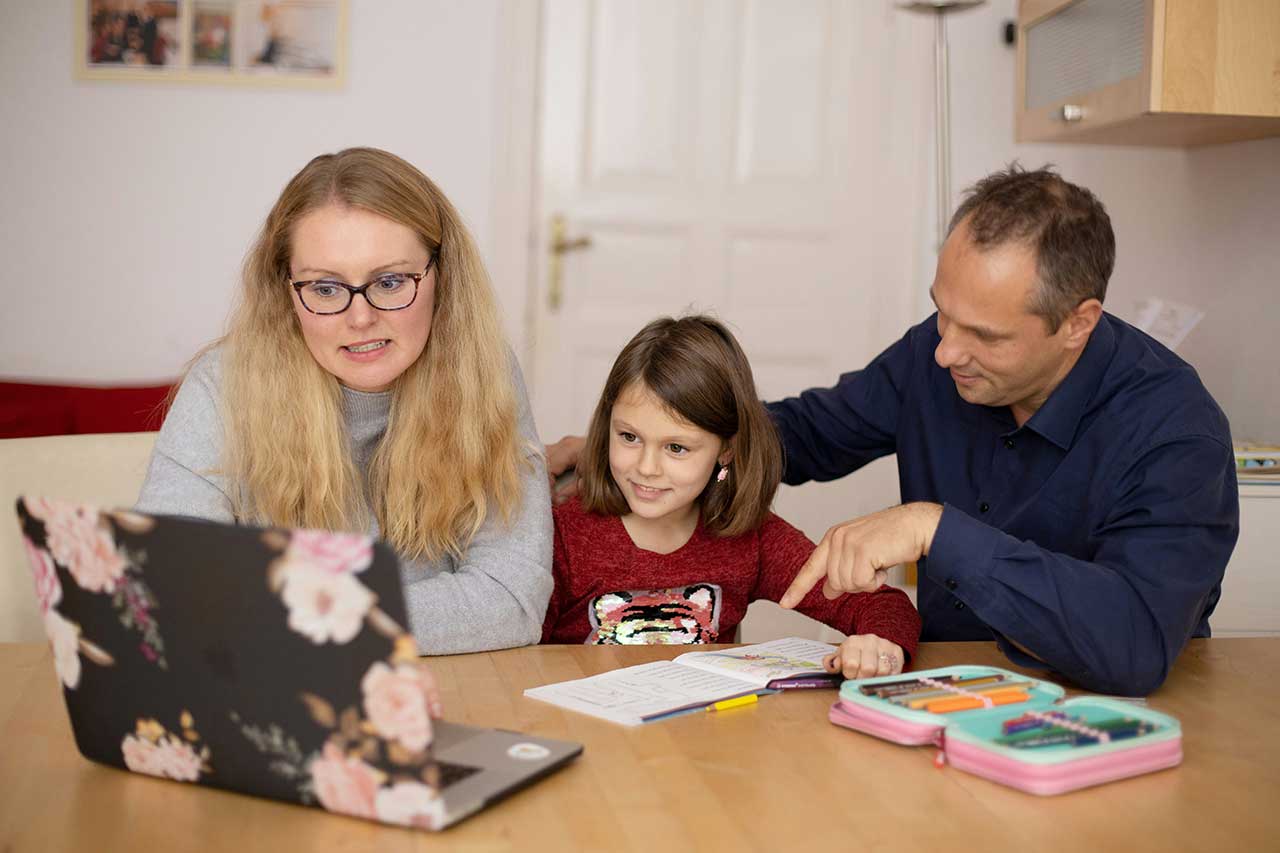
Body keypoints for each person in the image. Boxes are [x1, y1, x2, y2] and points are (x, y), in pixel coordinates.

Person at [548, 165, 1239, 695]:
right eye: (942, 313)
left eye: (985, 335)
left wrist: (937, 529)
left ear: (1077, 323)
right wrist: (675, 440)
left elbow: (1136, 643)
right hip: (935, 693)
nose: (944, 353)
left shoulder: (1177, 433)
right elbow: (805, 433)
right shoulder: (935, 358)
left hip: (1102, 711)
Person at [137, 147, 552, 655]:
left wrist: (279, 615)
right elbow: (168, 593)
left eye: (391, 281)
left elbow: (512, 600)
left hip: (450, 688)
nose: (360, 318)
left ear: (443, 276)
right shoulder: (220, 387)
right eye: (326, 288)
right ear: (285, 290)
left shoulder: (485, 373)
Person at [542, 316, 921, 678]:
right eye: (629, 437)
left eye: (676, 448)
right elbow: (517, 656)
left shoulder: (751, 539)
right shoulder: (564, 536)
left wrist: (878, 645)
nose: (646, 467)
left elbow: (884, 604)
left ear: (726, 452)